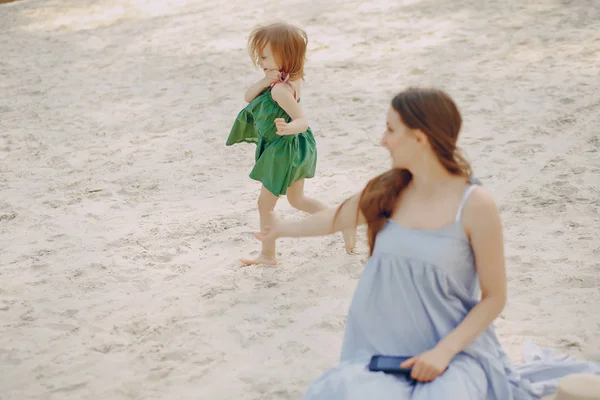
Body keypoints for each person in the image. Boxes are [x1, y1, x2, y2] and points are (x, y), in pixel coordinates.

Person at [255, 88, 600, 399]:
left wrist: (443, 352)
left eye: (390, 130)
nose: (383, 140)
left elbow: (495, 297)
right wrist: (280, 230)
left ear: (419, 138)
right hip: (382, 351)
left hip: (454, 355)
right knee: (331, 390)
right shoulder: (389, 189)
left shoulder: (475, 205)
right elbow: (335, 219)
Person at [226, 22, 356, 266]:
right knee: (298, 200)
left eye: (264, 56)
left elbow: (302, 121)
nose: (260, 61)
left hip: (283, 149)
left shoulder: (280, 91)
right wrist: (265, 80)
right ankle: (343, 222)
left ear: (284, 55)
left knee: (264, 205)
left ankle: (267, 255)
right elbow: (248, 95)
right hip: (295, 147)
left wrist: (288, 128)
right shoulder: (290, 79)